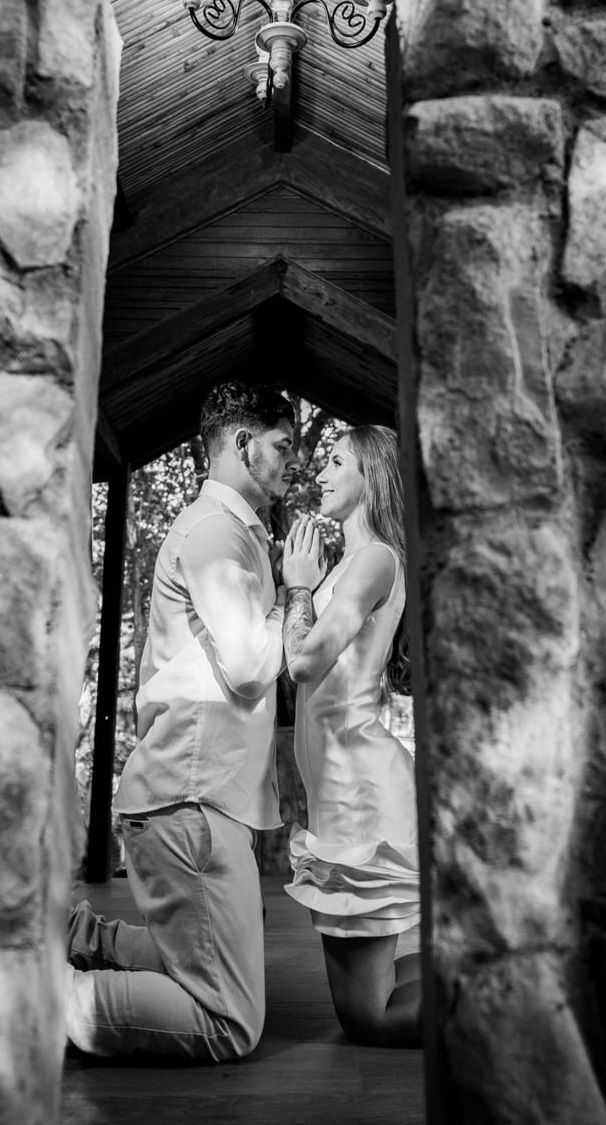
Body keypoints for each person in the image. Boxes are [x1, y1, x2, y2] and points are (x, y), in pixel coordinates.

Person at [64, 381, 296, 1061]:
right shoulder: (214, 532)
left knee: (198, 961)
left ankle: (80, 940)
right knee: (229, 1022)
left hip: (194, 798)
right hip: (190, 801)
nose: (295, 462)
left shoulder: (230, 531)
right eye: (283, 446)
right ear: (243, 445)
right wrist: (297, 594)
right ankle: (42, 1000)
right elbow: (251, 666)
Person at [279, 425, 422, 1047]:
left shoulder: (376, 559)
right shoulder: (348, 564)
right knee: (364, 1009)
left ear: (372, 476)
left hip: (360, 788)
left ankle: (510, 995)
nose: (320, 472)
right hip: (340, 789)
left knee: (370, 1018)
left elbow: (305, 661)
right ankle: (493, 969)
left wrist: (297, 587)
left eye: (336, 462)